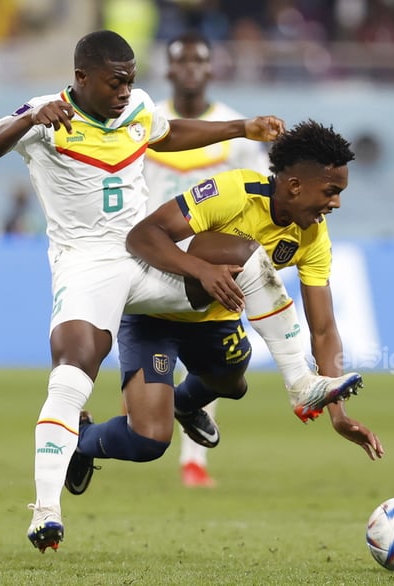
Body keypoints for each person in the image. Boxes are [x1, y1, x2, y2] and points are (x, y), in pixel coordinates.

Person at [0, 29, 361, 554]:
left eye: (131, 81)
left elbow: (167, 132)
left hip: (144, 259)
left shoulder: (138, 109)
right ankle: (46, 512)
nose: (126, 91)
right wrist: (28, 120)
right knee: (70, 379)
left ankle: (301, 385)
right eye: (115, 82)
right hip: (86, 267)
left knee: (245, 259)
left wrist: (240, 127)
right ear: (81, 78)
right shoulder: (44, 114)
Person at [67, 120, 383, 499]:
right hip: (155, 318)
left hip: (214, 322)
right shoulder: (234, 191)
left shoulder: (313, 236)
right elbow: (142, 235)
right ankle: (81, 438)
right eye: (332, 191)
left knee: (233, 385)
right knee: (148, 441)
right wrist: (200, 269)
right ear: (295, 186)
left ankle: (184, 404)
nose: (337, 203)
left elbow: (323, 329)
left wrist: (339, 415)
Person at [142, 31, 272, 488]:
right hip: (150, 251)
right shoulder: (147, 121)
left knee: (211, 356)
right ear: (170, 69)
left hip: (207, 257)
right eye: (183, 61)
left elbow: (256, 194)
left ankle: (193, 460)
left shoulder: (237, 130)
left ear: (212, 69)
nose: (192, 69)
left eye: (201, 60)